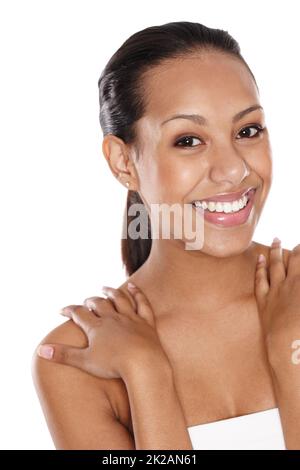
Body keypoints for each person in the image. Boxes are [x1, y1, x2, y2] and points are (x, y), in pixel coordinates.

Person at [31, 21, 300, 450]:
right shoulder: (77, 360)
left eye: (247, 131)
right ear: (123, 162)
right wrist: (146, 374)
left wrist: (291, 350)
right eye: (189, 140)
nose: (233, 169)